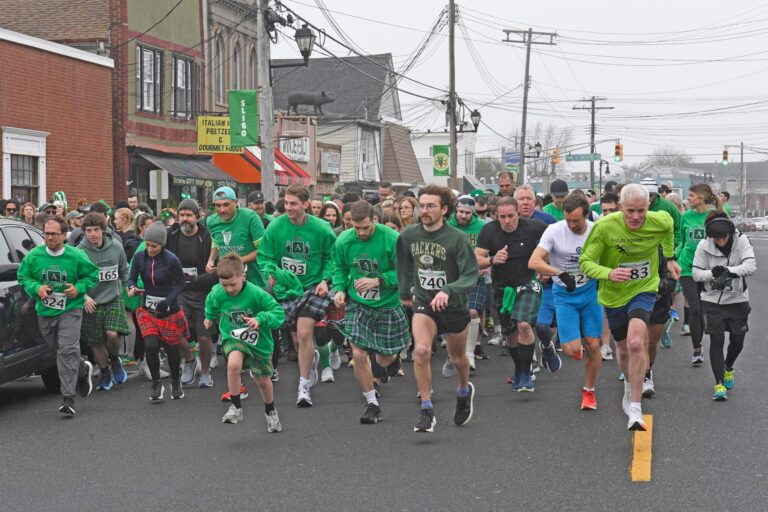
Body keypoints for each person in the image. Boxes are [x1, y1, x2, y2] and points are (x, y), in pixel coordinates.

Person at [579, 184, 679, 431]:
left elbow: (669, 229)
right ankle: (628, 386)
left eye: (641, 211)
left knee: (636, 342)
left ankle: (635, 408)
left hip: (644, 288)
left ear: (649, 208)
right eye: (631, 211)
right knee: (623, 348)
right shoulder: (604, 227)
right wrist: (609, 273)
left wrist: (670, 257)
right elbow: (585, 262)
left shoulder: (660, 219)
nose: (636, 217)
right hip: (614, 294)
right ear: (621, 207)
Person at [397, 185, 478, 433]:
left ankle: (464, 391)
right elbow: (404, 264)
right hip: (424, 302)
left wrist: (449, 290)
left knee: (457, 359)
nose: (424, 210)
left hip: (453, 305)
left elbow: (470, 274)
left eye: (431, 206)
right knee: (420, 351)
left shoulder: (456, 238)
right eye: (421, 205)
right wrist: (404, 293)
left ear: (444, 209)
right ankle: (426, 408)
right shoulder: (408, 236)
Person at [258, 184, 337, 408]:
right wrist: (270, 273)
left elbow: (333, 257)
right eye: (286, 203)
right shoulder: (275, 226)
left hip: (312, 286)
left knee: (304, 334)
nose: (288, 207)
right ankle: (309, 359)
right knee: (295, 335)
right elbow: (265, 255)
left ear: (305, 204)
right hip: (285, 287)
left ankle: (303, 388)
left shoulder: (322, 228)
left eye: (293, 203)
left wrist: (325, 279)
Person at [332, 201, 408, 424]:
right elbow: (340, 268)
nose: (361, 232)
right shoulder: (344, 240)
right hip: (358, 304)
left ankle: (392, 361)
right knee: (358, 354)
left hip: (387, 304)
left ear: (374, 220)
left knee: (384, 358)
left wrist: (379, 280)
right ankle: (372, 403)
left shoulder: (391, 239)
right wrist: (339, 290)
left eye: (365, 227)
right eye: (356, 228)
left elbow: (404, 272)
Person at [17, 215, 100, 415]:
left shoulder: (76, 256)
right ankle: (81, 368)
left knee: (66, 350)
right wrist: (36, 288)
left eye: (54, 234)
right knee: (59, 351)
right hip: (45, 311)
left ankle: (68, 398)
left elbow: (92, 275)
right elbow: (23, 277)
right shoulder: (34, 256)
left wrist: (78, 288)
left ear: (64, 235)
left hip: (70, 309)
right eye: (46, 234)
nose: (49, 237)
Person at [529, 194, 603, 410]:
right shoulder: (554, 230)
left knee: (593, 345)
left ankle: (589, 391)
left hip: (590, 293)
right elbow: (534, 261)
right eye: (568, 220)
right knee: (571, 350)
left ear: (586, 216)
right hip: (564, 295)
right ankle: (566, 344)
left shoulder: (596, 230)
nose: (572, 225)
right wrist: (558, 273)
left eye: (576, 221)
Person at [204, 254, 285, 430]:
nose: (229, 289)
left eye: (233, 284)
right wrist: (209, 318)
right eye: (224, 285)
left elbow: (278, 312)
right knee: (233, 365)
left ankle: (270, 411)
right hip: (233, 336)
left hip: (258, 342)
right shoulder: (218, 292)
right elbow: (211, 303)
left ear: (243, 277)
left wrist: (260, 319)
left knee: (262, 379)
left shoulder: (257, 293)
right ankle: (235, 407)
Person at [476, 197, 548, 392]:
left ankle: (526, 373)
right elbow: (476, 259)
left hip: (528, 283)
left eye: (511, 216)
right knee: (510, 337)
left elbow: (553, 244)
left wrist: (545, 267)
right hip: (503, 289)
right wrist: (492, 259)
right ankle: (519, 368)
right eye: (502, 217)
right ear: (496, 216)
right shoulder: (489, 230)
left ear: (518, 213)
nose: (507, 221)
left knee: (524, 325)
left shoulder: (534, 227)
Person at [692, 211, 756, 400]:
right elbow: (696, 273)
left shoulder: (742, 241)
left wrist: (728, 272)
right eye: (716, 238)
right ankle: (719, 383)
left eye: (723, 237)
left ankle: (728, 367)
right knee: (716, 340)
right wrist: (713, 274)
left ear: (729, 232)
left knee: (738, 340)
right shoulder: (703, 245)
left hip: (737, 299)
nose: (720, 241)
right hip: (712, 301)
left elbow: (751, 266)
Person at [127, 222, 189, 401]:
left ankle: (176, 381)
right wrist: (131, 287)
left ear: (162, 244)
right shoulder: (140, 257)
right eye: (147, 245)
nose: (150, 249)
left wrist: (168, 300)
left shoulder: (171, 259)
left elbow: (181, 284)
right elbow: (131, 278)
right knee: (151, 346)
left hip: (169, 310)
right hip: (148, 310)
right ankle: (156, 383)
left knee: (172, 350)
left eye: (154, 246)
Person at [166, 198, 219, 388]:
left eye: (189, 215)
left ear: (198, 216)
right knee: (176, 331)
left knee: (204, 336)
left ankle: (205, 371)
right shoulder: (170, 235)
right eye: (182, 215)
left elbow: (215, 273)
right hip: (179, 292)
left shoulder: (207, 238)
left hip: (203, 293)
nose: (185, 219)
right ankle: (189, 361)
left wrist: (197, 279)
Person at [77, 212, 131, 391]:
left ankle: (115, 359)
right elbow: (73, 279)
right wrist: (84, 296)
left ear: (103, 230)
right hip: (91, 301)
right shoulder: (79, 252)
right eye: (89, 230)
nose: (92, 234)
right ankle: (105, 371)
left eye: (96, 230)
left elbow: (124, 270)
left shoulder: (116, 246)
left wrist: (124, 287)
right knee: (95, 341)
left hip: (113, 298)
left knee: (112, 334)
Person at [677, 183, 721, 365]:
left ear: (702, 197)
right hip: (687, 268)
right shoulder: (686, 216)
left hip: (708, 269)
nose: (688, 198)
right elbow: (681, 239)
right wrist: (673, 261)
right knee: (695, 309)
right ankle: (697, 348)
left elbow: (726, 240)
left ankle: (705, 342)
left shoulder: (714, 216)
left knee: (704, 310)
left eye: (692, 195)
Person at [446, 195, 489, 371]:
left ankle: (470, 355)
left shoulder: (483, 227)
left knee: (472, 312)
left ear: (473, 213)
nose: (463, 216)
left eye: (467, 213)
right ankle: (454, 354)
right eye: (460, 212)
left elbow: (489, 247)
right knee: (451, 315)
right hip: (452, 277)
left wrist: (485, 262)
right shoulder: (447, 225)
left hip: (476, 275)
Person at [206, 186, 266, 287]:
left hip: (253, 281)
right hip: (226, 283)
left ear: (235, 202)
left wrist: (237, 261)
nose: (222, 210)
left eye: (226, 205)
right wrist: (211, 260)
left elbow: (263, 250)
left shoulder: (250, 217)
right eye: (218, 205)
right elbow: (216, 242)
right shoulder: (211, 221)